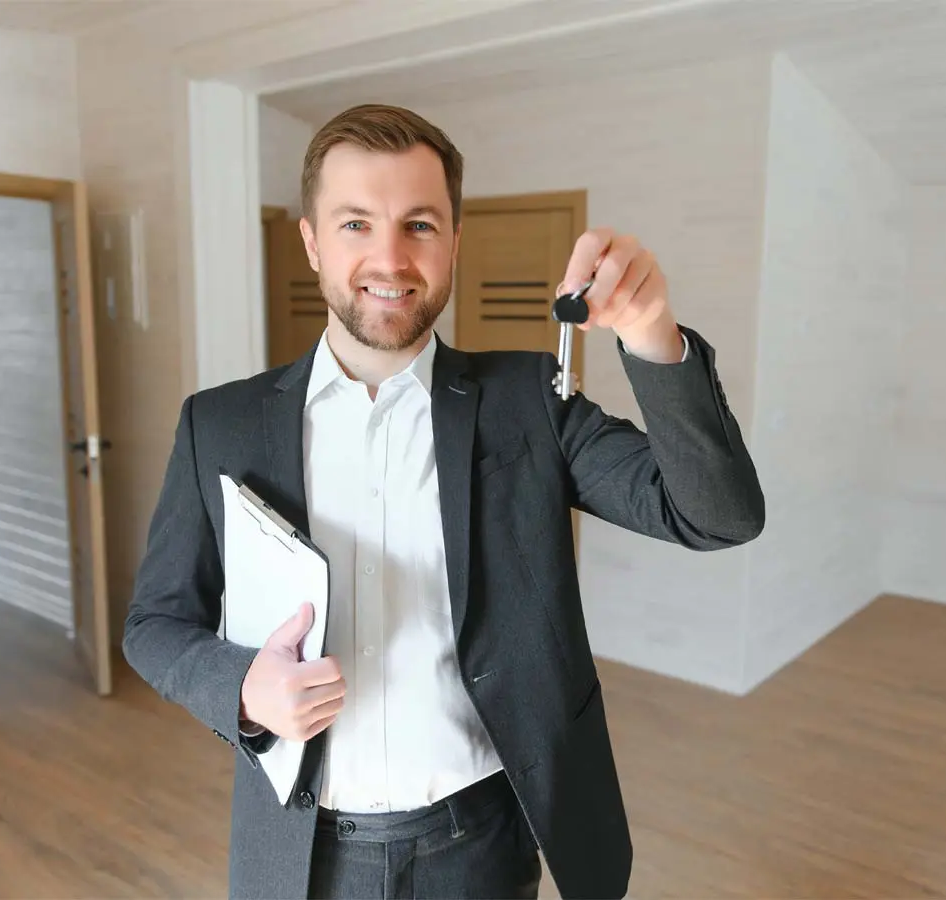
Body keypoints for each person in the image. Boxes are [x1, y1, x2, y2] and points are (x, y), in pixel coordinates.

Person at [123, 103, 764, 900]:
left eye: (419, 225)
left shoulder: (531, 401)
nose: (389, 257)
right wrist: (242, 688)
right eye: (356, 223)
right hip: (300, 855)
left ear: (454, 240)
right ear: (313, 242)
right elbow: (154, 626)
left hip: (481, 850)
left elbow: (717, 514)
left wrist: (651, 333)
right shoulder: (217, 424)